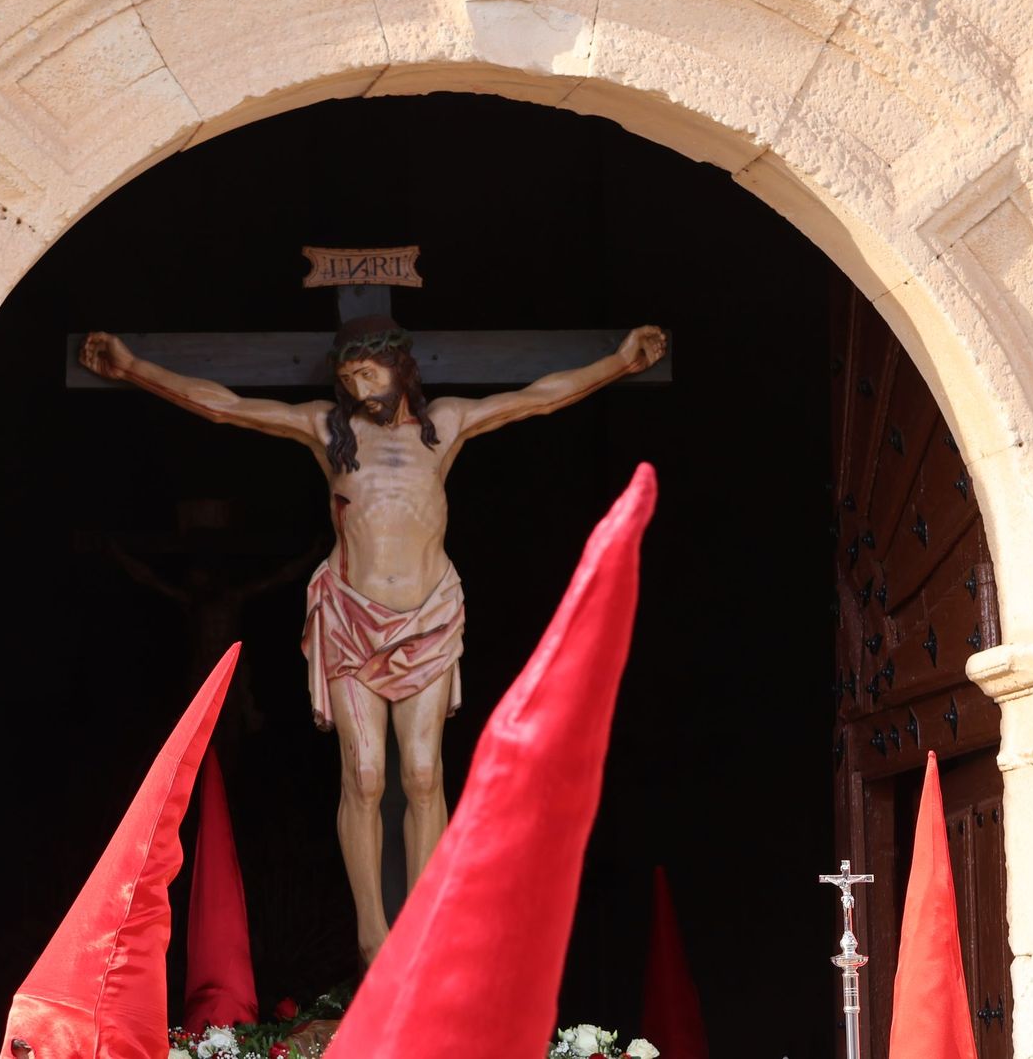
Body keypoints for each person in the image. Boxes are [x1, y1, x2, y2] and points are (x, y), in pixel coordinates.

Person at [79, 316, 667, 963]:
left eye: (369, 372)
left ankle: (424, 925)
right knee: (362, 774)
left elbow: (538, 396)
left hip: (427, 617)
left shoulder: (445, 425)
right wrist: (133, 367)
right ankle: (372, 936)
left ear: (401, 367)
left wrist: (618, 362)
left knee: (421, 773)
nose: (359, 386)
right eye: (348, 378)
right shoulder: (327, 430)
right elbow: (226, 408)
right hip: (351, 617)